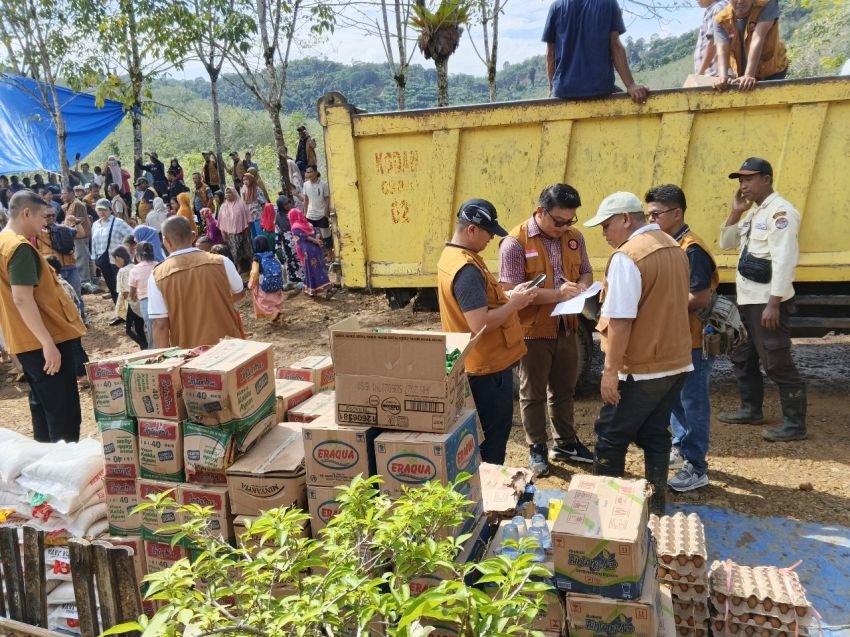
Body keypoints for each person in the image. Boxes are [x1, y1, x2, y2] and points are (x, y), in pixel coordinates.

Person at [582, 192, 692, 515]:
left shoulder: (627, 257)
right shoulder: (674, 247)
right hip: (677, 363)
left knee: (611, 436)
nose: (604, 235)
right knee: (655, 432)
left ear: (626, 220)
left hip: (642, 368)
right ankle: (656, 507)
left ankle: (603, 515)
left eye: (606, 226)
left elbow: (620, 320)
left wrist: (610, 371)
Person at [499, 184, 594, 477]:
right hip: (532, 330)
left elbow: (587, 271)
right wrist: (558, 294)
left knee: (565, 389)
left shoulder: (575, 238)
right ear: (541, 212)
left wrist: (583, 287)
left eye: (570, 221)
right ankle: (536, 447)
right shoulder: (515, 242)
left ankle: (565, 442)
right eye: (558, 221)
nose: (564, 227)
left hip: (566, 327)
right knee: (533, 393)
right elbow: (509, 291)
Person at [436, 199, 536, 464]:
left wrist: (509, 295)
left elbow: (479, 303)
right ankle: (491, 494)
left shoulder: (452, 258)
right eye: (489, 232)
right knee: (492, 441)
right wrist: (514, 304)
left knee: (477, 440)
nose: (492, 237)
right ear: (471, 229)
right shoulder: (467, 270)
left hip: (471, 363)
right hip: (486, 369)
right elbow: (479, 322)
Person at [718, 157, 806, 442]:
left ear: (766, 179)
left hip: (766, 301)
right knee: (743, 356)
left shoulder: (781, 213)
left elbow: (784, 261)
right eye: (741, 180)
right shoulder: (754, 213)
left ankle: (795, 425)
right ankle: (751, 409)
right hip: (748, 299)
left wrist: (774, 303)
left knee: (776, 360)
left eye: (749, 179)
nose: (744, 185)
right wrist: (735, 213)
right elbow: (726, 244)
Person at [645, 184, 718, 492]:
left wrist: (659, 307)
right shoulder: (669, 245)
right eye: (647, 214)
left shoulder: (691, 249)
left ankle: (696, 465)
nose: (650, 221)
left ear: (677, 213)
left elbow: (699, 297)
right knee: (675, 399)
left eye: (655, 214)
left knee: (693, 403)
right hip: (676, 339)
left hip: (693, 340)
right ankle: (681, 445)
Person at [0, 191, 86, 442]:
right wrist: (47, 343)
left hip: (26, 340)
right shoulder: (19, 248)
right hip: (46, 340)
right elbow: (22, 298)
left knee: (43, 407)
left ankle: (46, 469)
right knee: (63, 414)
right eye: (42, 216)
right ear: (26, 213)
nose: (44, 224)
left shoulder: (3, 242)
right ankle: (64, 471)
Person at [147, 216, 245, 349]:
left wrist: (162, 362)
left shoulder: (157, 276)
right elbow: (240, 293)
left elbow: (160, 325)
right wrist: (215, 303)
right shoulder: (221, 262)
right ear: (193, 236)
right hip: (228, 346)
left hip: (190, 353)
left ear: (166, 242)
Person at [542, 0, 648, 103]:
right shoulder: (609, 3)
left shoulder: (556, 7)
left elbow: (550, 55)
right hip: (600, 88)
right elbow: (615, 46)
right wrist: (630, 85)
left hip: (563, 90)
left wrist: (552, 89)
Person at [713, 0, 787, 92]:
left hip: (772, 71)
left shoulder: (767, 4)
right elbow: (722, 51)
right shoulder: (720, 20)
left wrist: (749, 75)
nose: (740, 1)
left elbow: (758, 38)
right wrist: (723, 76)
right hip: (741, 74)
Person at [44, 255, 89, 386]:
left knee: (75, 350)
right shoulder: (60, 283)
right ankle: (85, 373)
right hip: (73, 322)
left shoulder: (59, 285)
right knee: (77, 349)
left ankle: (82, 375)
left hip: (70, 324)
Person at [90, 198, 134, 311]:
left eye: (104, 209)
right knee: (112, 287)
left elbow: (132, 236)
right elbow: (94, 243)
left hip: (118, 262)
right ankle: (119, 312)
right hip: (104, 262)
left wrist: (127, 252)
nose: (102, 212)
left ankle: (129, 314)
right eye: (99, 210)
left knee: (122, 287)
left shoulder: (118, 223)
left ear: (110, 210)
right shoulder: (95, 225)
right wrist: (94, 260)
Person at [288, 208, 335, 299]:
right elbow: (316, 231)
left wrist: (314, 240)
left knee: (313, 269)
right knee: (318, 267)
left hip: (307, 251)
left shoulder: (295, 226)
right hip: (316, 249)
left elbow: (304, 237)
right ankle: (310, 289)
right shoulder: (308, 224)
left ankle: (328, 288)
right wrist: (317, 240)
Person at [60, 187, 95, 293]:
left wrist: (70, 224)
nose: (62, 196)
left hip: (81, 234)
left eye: (64, 194)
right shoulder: (69, 204)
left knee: (81, 257)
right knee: (85, 256)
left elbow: (82, 218)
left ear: (71, 193)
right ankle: (90, 278)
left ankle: (85, 281)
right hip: (77, 234)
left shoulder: (78, 204)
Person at [113, 245, 147, 350]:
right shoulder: (135, 266)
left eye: (115, 260)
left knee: (130, 329)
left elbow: (124, 292)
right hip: (142, 300)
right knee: (139, 327)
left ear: (118, 258)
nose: (115, 263)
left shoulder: (122, 271)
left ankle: (145, 347)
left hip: (132, 303)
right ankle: (146, 346)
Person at [128, 240, 159, 348]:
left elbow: (132, 292)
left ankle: (153, 351)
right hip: (161, 299)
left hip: (145, 302)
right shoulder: (159, 265)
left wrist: (133, 297)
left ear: (137, 256)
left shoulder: (134, 270)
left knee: (151, 329)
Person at [248, 235, 285, 322]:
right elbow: (281, 267)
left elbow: (255, 272)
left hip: (263, 285)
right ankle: (276, 317)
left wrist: (251, 284)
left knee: (263, 303)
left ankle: (277, 314)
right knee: (274, 300)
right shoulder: (272, 255)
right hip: (276, 282)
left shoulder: (257, 258)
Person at [218, 186, 254, 273]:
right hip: (230, 233)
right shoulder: (223, 206)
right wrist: (223, 232)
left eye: (230, 192)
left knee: (247, 249)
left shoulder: (241, 204)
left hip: (243, 231)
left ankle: (252, 265)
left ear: (234, 193)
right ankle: (239, 267)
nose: (228, 194)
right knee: (235, 251)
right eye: (227, 193)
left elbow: (248, 218)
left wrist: (247, 230)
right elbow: (221, 221)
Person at [276, 194, 304, 289]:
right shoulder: (278, 217)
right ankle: (291, 281)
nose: (288, 206)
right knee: (289, 261)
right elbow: (277, 232)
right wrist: (278, 246)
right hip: (286, 242)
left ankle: (302, 280)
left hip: (297, 239)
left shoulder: (295, 213)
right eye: (285, 204)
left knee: (299, 259)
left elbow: (302, 225)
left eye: (288, 203)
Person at [694, 0, 729, 76]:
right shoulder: (710, 10)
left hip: (718, 76)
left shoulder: (719, 7)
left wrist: (700, 73)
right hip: (710, 76)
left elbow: (713, 42)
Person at [301, 167, 332, 250]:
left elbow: (327, 198)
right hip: (310, 215)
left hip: (322, 214)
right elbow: (306, 199)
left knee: (325, 236)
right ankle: (318, 255)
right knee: (313, 236)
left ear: (316, 172)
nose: (309, 174)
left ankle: (329, 255)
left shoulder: (323, 184)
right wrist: (305, 213)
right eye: (307, 172)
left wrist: (326, 212)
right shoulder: (305, 185)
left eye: (311, 172)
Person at [241, 172, 267, 239]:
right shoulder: (244, 190)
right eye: (243, 180)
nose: (245, 181)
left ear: (251, 180)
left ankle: (264, 248)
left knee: (260, 234)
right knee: (253, 236)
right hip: (249, 217)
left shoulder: (256, 189)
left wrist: (265, 216)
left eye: (247, 179)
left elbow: (263, 203)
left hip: (258, 215)